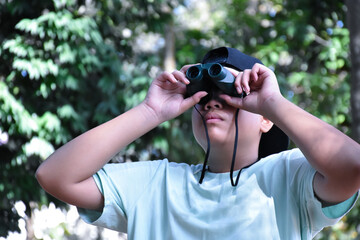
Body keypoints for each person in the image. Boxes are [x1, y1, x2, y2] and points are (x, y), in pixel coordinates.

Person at [36, 47, 360, 239]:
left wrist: (273, 101)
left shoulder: (288, 178)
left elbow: (352, 166)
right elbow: (55, 176)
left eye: (231, 93)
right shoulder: (155, 184)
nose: (211, 103)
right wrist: (150, 111)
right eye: (202, 95)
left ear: (265, 118)